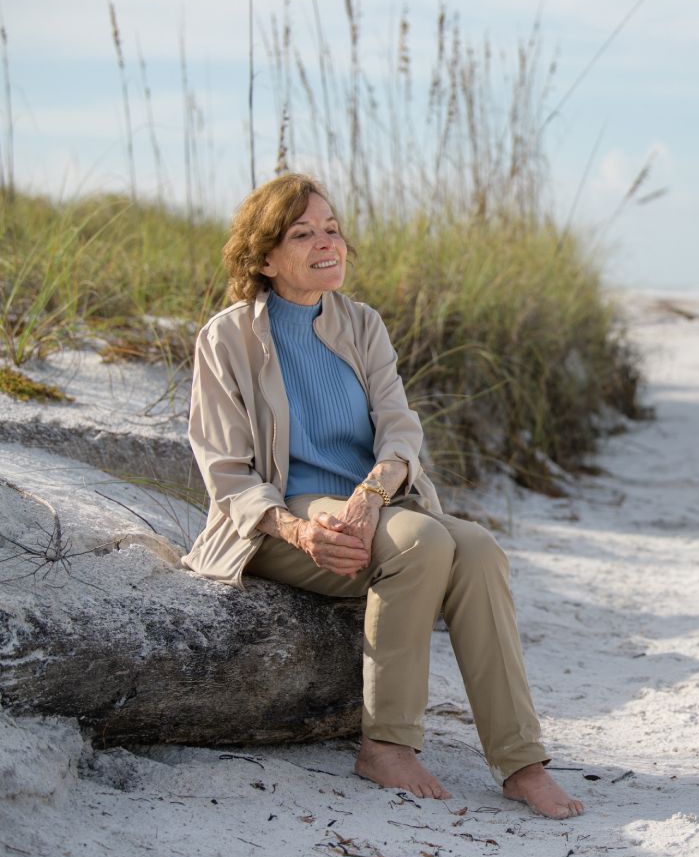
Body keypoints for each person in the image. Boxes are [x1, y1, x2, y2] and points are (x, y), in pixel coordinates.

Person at [183, 172, 583, 818]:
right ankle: (386, 744)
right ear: (263, 258)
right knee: (421, 540)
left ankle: (521, 760)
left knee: (477, 548)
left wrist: (371, 495)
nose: (327, 244)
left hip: (366, 508)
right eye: (303, 234)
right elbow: (225, 470)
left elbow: (400, 429)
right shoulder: (227, 338)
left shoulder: (361, 324)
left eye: (333, 230)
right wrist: (297, 530)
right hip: (280, 521)